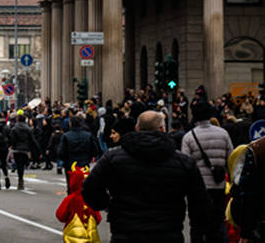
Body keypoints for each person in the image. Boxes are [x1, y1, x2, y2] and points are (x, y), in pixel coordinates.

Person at [82, 110, 208, 243]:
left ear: (137, 128)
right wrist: (198, 230)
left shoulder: (113, 158)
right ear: (163, 129)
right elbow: (200, 201)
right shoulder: (183, 162)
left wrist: (108, 205)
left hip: (126, 230)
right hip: (167, 231)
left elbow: (90, 188)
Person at [181, 102, 233, 243]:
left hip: (197, 189)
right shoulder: (223, 134)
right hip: (218, 186)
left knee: (197, 225)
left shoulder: (188, 137)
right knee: (218, 223)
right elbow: (231, 159)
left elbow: (186, 165)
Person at [9, 112, 39, 191]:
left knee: (19, 164)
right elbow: (32, 140)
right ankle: (21, 177)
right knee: (23, 163)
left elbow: (12, 139)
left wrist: (11, 146)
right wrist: (37, 149)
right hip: (25, 149)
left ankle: (20, 179)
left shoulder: (14, 128)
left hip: (16, 149)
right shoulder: (28, 129)